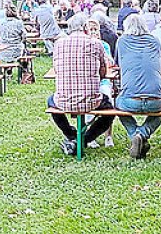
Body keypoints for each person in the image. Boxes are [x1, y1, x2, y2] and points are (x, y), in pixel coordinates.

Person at [49, 25, 115, 155]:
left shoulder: (59, 44)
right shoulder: (96, 44)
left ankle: (72, 136)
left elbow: (57, 70)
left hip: (63, 100)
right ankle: (82, 140)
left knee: (50, 101)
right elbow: (103, 72)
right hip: (91, 100)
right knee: (110, 111)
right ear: (86, 29)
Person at [113, 14, 161, 159]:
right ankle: (143, 134)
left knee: (116, 105)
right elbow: (160, 60)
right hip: (156, 100)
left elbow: (117, 63)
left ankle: (136, 134)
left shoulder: (122, 41)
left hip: (130, 99)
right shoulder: (154, 41)